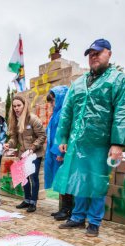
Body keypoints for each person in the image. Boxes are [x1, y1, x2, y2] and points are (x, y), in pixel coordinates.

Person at [54, 39, 125, 237]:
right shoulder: (79, 83)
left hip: (101, 143)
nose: (94, 56)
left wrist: (117, 143)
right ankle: (78, 216)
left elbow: (123, 112)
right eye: (91, 53)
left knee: (97, 181)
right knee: (79, 179)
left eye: (98, 52)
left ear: (109, 53)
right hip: (77, 143)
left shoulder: (119, 80)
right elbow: (67, 112)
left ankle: (95, 221)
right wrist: (63, 137)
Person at [4, 96, 46, 213]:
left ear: (24, 105)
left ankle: (33, 202)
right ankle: (27, 200)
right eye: (14, 106)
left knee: (33, 177)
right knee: (24, 177)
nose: (16, 108)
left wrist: (32, 148)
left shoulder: (33, 119)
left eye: (19, 105)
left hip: (34, 154)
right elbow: (14, 138)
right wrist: (9, 144)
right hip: (23, 154)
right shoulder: (14, 120)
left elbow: (42, 136)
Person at [44, 86, 74, 222]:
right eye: (50, 102)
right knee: (59, 181)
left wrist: (59, 152)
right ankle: (63, 208)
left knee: (64, 181)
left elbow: (62, 134)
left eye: (53, 100)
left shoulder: (63, 113)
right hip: (54, 152)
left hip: (60, 153)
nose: (52, 104)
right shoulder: (56, 113)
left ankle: (67, 209)